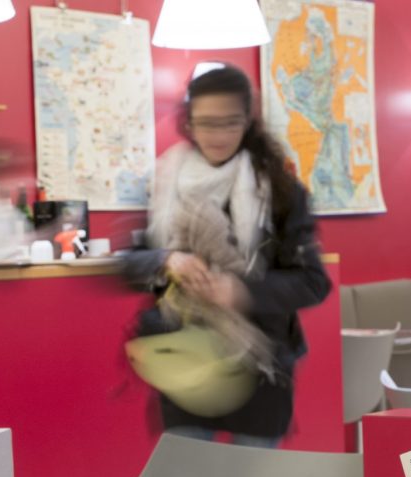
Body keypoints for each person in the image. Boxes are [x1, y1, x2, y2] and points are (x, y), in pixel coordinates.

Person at [124, 66, 331, 448]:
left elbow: (313, 282)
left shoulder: (281, 190)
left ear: (248, 122)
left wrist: (241, 292)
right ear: (189, 122)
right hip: (183, 361)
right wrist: (168, 260)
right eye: (206, 123)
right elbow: (129, 262)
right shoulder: (166, 183)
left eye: (230, 123)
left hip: (259, 367)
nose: (217, 135)